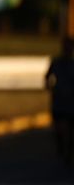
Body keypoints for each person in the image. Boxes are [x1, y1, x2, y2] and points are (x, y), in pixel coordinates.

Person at [45, 36, 74, 166]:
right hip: (59, 101)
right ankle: (61, 146)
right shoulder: (56, 62)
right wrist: (51, 89)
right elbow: (47, 78)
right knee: (59, 127)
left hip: (71, 102)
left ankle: (68, 151)